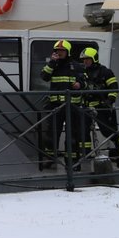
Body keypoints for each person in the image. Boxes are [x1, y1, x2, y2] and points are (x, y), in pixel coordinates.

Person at [40, 40, 85, 168]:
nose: (59, 53)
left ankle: (72, 162)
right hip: (56, 105)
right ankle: (50, 159)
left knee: (72, 136)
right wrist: (52, 63)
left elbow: (86, 83)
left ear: (68, 52)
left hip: (73, 106)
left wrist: (80, 85)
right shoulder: (52, 65)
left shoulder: (77, 66)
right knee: (51, 134)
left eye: (62, 51)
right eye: (57, 51)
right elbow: (44, 77)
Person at [80, 47, 119, 159]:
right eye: (84, 59)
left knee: (106, 131)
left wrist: (109, 100)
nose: (85, 61)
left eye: (87, 59)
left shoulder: (105, 72)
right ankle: (85, 153)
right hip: (86, 106)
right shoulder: (82, 72)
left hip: (101, 106)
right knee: (83, 130)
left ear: (94, 59)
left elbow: (114, 87)